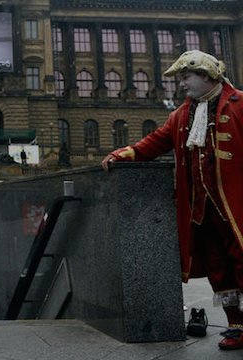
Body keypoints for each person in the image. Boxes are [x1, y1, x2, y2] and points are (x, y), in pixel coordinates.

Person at [101, 50, 243, 351]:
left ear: (206, 76)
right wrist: (122, 155)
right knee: (220, 269)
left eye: (186, 77)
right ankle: (236, 324)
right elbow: (154, 143)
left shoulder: (240, 104)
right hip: (202, 210)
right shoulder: (181, 115)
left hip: (237, 208)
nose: (182, 84)